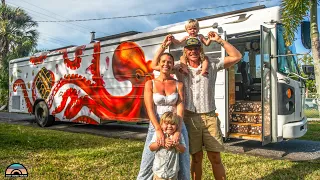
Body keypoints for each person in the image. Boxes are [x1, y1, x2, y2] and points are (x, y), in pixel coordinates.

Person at [152, 32, 242, 180]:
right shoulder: (178, 67)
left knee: (215, 157)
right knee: (196, 157)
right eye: (189, 48)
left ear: (201, 50)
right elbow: (155, 65)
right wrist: (164, 45)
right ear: (185, 51)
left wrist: (219, 40)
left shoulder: (211, 64)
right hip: (189, 118)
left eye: (196, 48)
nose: (193, 51)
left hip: (209, 117)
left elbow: (237, 56)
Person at [137, 46, 190, 180]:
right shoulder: (150, 84)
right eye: (163, 61)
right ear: (159, 64)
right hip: (156, 123)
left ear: (173, 65)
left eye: (169, 62)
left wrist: (178, 130)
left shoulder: (179, 84)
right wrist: (158, 129)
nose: (166, 64)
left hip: (176, 123)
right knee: (147, 161)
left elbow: (180, 107)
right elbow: (149, 108)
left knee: (183, 162)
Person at [150, 111, 186, 180]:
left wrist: (177, 145)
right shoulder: (158, 135)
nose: (169, 126)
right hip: (159, 171)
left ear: (177, 125)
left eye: (172, 124)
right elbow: (151, 148)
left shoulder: (178, 136)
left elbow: (183, 150)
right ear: (161, 124)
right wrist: (161, 142)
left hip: (172, 172)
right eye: (166, 123)